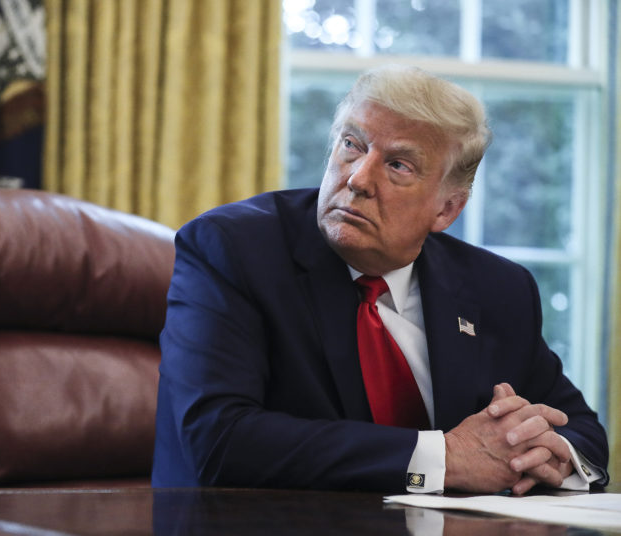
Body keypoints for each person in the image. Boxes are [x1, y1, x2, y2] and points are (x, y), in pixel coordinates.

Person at [151, 65, 609, 494]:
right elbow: (219, 439)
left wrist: (550, 453)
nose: (359, 178)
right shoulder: (233, 249)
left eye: (398, 166)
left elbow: (581, 428)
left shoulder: (497, 289)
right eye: (352, 144)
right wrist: (446, 457)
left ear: (447, 209)